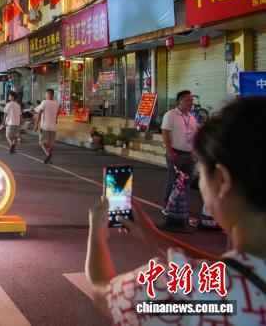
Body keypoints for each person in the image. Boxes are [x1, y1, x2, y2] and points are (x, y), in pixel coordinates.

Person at [85, 97, 266, 325]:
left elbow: (103, 293)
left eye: (201, 171)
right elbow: (239, 270)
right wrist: (153, 236)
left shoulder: (180, 288)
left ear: (222, 180)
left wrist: (97, 233)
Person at [160, 90, 199, 232]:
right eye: (188, 100)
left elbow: (194, 135)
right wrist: (169, 151)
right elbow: (165, 133)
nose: (191, 102)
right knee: (173, 179)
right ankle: (167, 205)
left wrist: (194, 151)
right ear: (180, 101)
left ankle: (180, 206)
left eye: (192, 99)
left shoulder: (191, 117)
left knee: (185, 182)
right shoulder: (170, 115)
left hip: (188, 154)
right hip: (175, 153)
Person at [35, 89, 60, 164]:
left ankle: (48, 154)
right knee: (50, 144)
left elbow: (39, 113)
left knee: (42, 142)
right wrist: (55, 120)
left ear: (49, 94)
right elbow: (57, 114)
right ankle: (49, 159)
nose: (45, 95)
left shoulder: (44, 102)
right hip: (53, 127)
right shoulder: (56, 103)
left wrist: (36, 123)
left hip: (45, 126)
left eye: (46, 94)